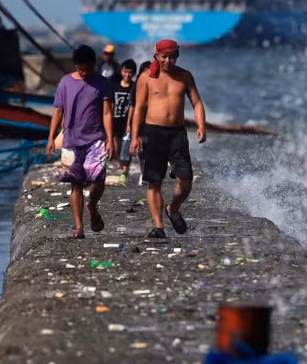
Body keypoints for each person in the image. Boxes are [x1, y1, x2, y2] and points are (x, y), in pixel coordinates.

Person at [130, 40, 206, 239]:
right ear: (156, 55)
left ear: (177, 56)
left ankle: (173, 209)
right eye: (164, 56)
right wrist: (135, 135)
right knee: (154, 181)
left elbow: (197, 103)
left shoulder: (184, 76)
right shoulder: (146, 78)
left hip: (177, 134)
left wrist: (201, 125)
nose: (168, 60)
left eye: (172, 57)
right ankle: (158, 226)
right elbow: (138, 108)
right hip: (153, 133)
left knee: (186, 182)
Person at [46, 44, 115, 239]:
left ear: (95, 64)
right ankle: (79, 228)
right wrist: (51, 137)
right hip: (71, 141)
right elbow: (58, 111)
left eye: (87, 69)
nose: (84, 73)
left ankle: (92, 205)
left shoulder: (102, 83)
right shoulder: (65, 83)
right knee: (75, 184)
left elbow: (107, 113)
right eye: (80, 69)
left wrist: (110, 139)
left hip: (96, 140)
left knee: (98, 179)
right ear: (75, 66)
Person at [111, 59, 137, 183]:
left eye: (130, 72)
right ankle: (119, 169)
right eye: (125, 71)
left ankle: (124, 172)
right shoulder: (115, 86)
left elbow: (134, 106)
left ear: (134, 73)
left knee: (126, 147)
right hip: (116, 120)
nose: (127, 75)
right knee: (116, 146)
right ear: (121, 71)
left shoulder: (135, 87)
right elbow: (110, 105)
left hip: (129, 122)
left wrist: (130, 124)